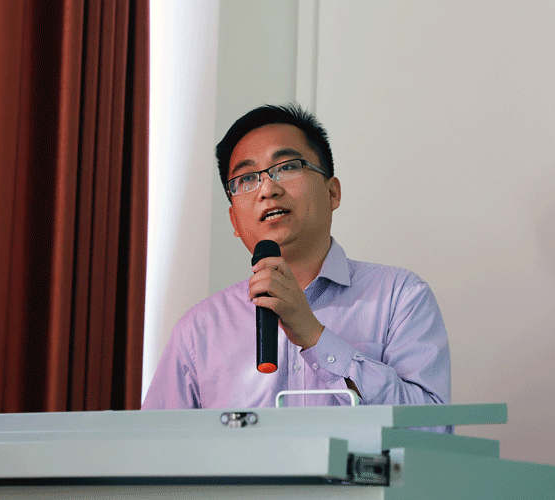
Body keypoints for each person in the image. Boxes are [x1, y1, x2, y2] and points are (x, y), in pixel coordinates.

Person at [142, 104, 450, 411]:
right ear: (234, 221)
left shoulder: (400, 297)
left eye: (287, 166)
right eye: (246, 179)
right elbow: (156, 439)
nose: (267, 189)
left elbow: (431, 427)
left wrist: (315, 336)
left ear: (333, 193)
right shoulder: (199, 330)